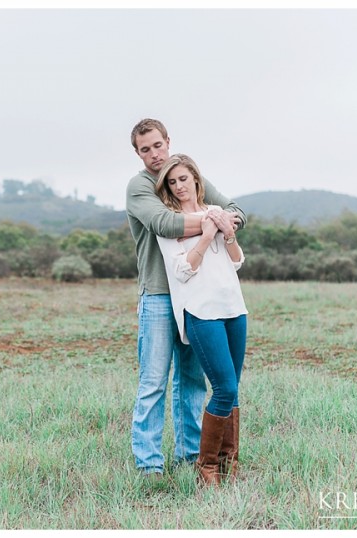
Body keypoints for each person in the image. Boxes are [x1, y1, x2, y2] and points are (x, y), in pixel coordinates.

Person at [125, 118, 246, 478]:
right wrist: (213, 222)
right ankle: (149, 466)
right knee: (153, 381)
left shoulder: (187, 175)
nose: (154, 154)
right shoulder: (139, 187)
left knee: (192, 380)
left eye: (157, 145)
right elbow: (166, 225)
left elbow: (238, 210)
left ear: (167, 141)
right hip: (161, 295)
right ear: (138, 153)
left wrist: (227, 219)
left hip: (197, 298)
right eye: (145, 149)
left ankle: (190, 454)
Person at [154, 154, 248, 486]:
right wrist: (207, 235)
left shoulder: (216, 212)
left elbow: (236, 261)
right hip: (201, 312)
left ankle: (229, 464)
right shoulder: (171, 224)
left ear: (196, 178)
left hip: (234, 309)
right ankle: (206, 467)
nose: (179, 186)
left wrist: (227, 232)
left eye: (183, 179)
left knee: (233, 391)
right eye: (172, 182)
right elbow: (181, 271)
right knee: (223, 388)